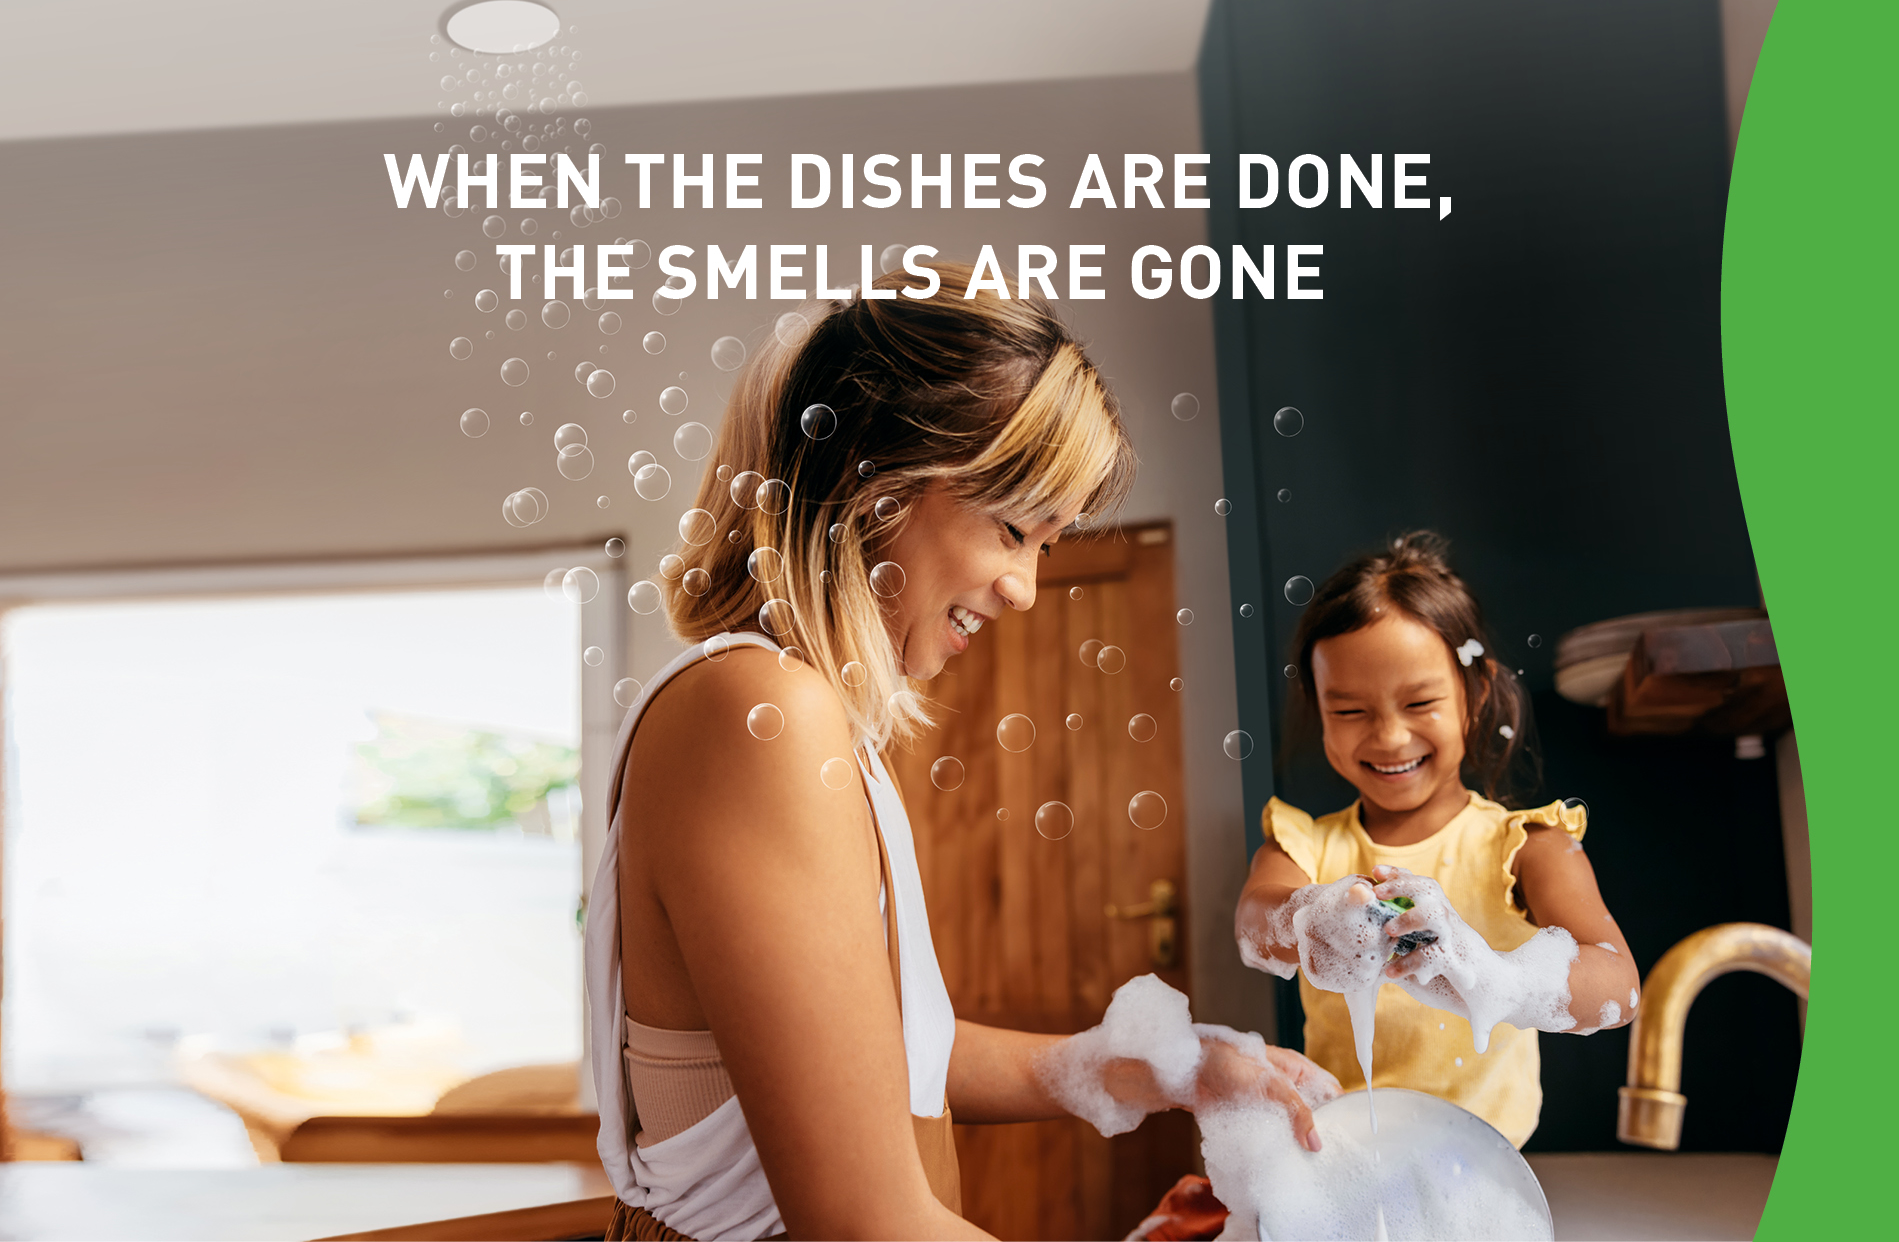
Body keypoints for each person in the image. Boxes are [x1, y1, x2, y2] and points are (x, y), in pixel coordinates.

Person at [589, 265, 1336, 1241]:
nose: (1025, 589)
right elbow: (867, 1222)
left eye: (1050, 549)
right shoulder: (757, 713)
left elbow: (875, 1057)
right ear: (873, 479)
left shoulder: (794, 712)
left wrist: (1156, 1065)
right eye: (1014, 529)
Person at [1232, 532, 1641, 1148]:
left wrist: (1493, 979)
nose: (1391, 738)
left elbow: (1618, 986)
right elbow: (1253, 924)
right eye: (1349, 711)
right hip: (1344, 1156)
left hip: (1482, 1167)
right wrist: (1306, 916)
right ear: (1318, 711)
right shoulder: (1303, 847)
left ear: (1475, 696)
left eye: (1420, 701)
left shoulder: (1526, 847)